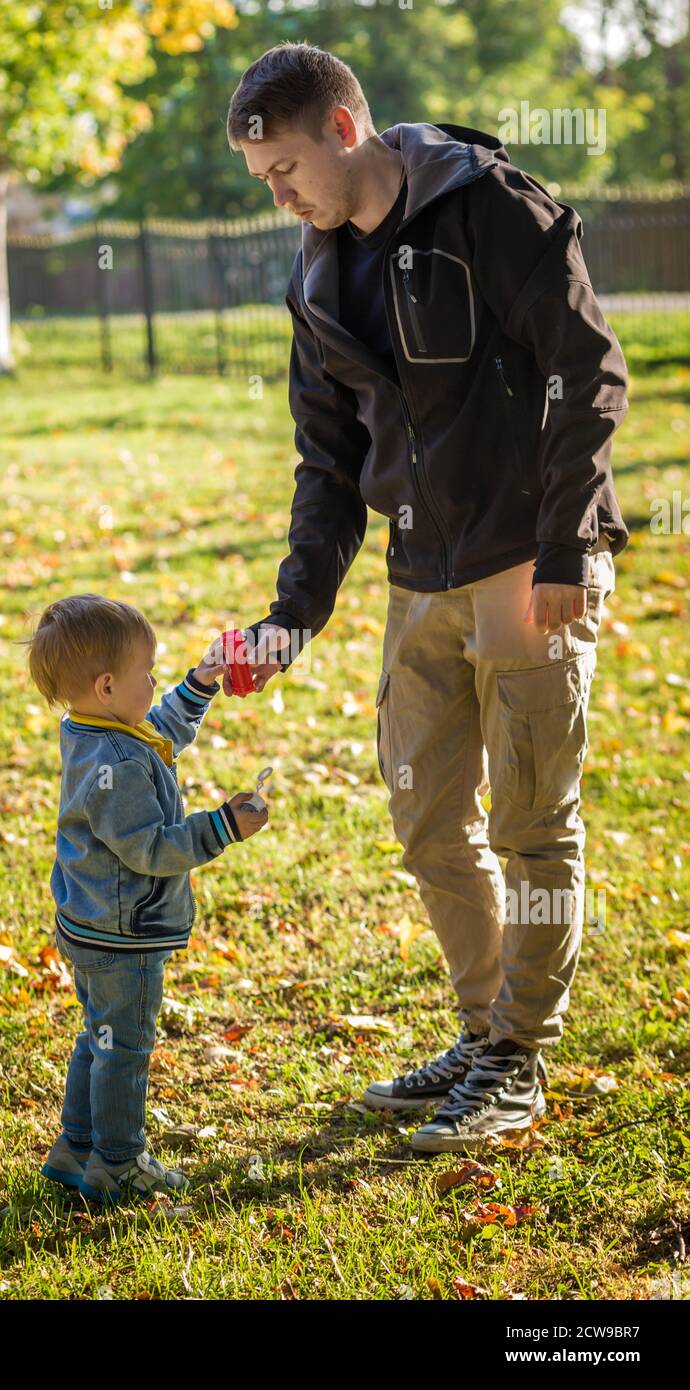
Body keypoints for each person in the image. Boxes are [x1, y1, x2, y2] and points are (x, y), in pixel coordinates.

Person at [225, 42, 628, 1153]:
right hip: (419, 575)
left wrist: (562, 547)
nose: (281, 195)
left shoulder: (490, 206)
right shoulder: (315, 273)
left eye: (286, 168)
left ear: (343, 129)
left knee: (531, 821)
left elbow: (584, 374)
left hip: (521, 562)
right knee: (426, 820)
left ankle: (518, 1054)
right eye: (263, 180)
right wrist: (292, 613)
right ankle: (479, 1028)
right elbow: (325, 460)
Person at [25, 594, 268, 1202]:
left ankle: (75, 1147)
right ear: (108, 686)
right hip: (122, 935)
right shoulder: (115, 761)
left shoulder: (95, 731)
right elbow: (151, 849)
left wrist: (201, 682)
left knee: (99, 1036)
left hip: (91, 924)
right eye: (148, 674)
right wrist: (223, 828)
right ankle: (118, 1163)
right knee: (125, 1048)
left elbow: (159, 731)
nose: (155, 682)